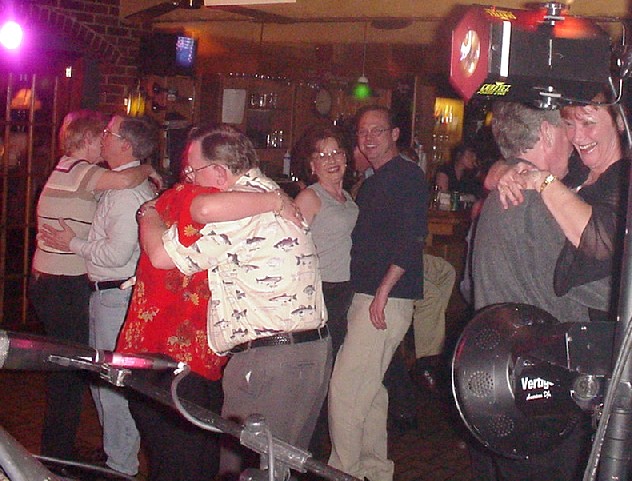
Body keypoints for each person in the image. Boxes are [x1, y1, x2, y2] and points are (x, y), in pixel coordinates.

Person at [139, 125, 331, 481]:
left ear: (218, 172)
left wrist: (147, 214)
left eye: (193, 169)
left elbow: (161, 256)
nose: (189, 177)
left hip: (272, 360)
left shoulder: (238, 211)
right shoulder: (266, 192)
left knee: (249, 470)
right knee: (276, 468)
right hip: (302, 352)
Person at [471, 101, 608, 481]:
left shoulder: (505, 194)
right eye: (566, 129)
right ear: (547, 133)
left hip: (507, 382)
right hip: (541, 390)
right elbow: (601, 291)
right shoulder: (538, 201)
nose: (573, 141)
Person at [28, 109, 159, 463]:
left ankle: (83, 456)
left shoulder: (82, 174)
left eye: (109, 135)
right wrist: (147, 167)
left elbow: (117, 246)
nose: (104, 140)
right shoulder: (81, 172)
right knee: (71, 373)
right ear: (88, 139)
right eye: (101, 134)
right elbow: (127, 178)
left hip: (69, 284)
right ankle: (60, 457)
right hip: (63, 285)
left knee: (83, 374)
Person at [327, 105, 428, 481]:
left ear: (394, 134)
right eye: (363, 132)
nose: (369, 138)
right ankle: (373, 470)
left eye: (378, 131)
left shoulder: (407, 175)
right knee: (369, 392)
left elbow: (412, 238)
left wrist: (384, 291)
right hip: (370, 294)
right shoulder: (374, 181)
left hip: (384, 298)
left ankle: (342, 471)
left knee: (345, 389)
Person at [496, 99, 628, 321]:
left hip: (605, 327)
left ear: (620, 122)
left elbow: (598, 241)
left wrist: (544, 181)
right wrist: (505, 171)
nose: (577, 137)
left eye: (588, 123)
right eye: (569, 124)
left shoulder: (624, 178)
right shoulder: (576, 171)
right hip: (549, 314)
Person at [292, 125, 358, 459]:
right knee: (317, 378)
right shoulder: (310, 197)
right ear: (312, 165)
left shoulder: (348, 199)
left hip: (346, 293)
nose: (331, 160)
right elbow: (289, 247)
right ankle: (310, 455)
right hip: (321, 293)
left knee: (335, 378)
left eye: (336, 153)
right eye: (322, 155)